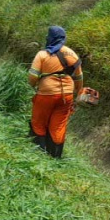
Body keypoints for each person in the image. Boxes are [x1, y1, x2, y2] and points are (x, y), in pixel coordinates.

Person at [28, 26, 83, 158]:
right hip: (66, 96)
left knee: (39, 122)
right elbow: (79, 77)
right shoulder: (72, 54)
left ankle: (39, 153)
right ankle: (55, 156)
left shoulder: (42, 54)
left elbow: (33, 77)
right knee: (58, 125)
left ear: (50, 38)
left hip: (46, 94)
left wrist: (34, 85)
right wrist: (77, 93)